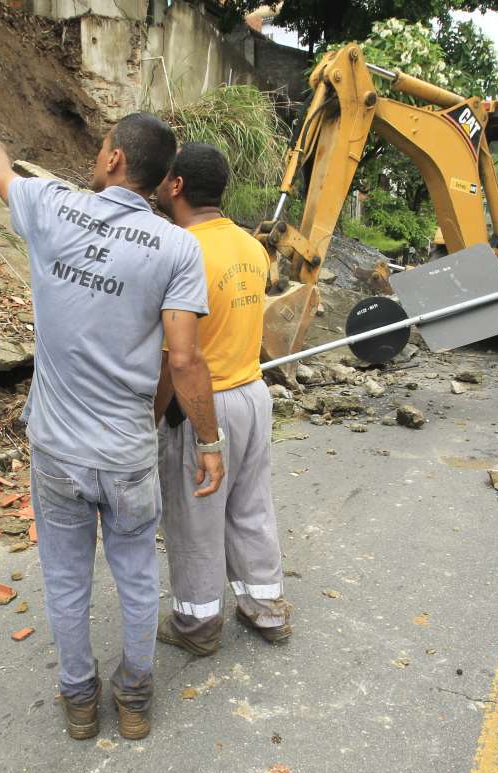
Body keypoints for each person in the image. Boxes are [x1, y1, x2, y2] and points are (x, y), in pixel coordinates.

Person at [0, 113, 226, 742]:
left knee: (64, 578)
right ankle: (134, 697)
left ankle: (80, 698)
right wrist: (209, 442)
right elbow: (185, 358)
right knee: (137, 573)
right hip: (127, 451)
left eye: (103, 145)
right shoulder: (178, 248)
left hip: (56, 448)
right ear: (162, 179)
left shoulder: (52, 207)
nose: (98, 153)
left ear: (114, 161)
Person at [152, 143, 292, 656]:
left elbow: (178, 358)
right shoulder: (251, 249)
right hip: (254, 394)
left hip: (203, 404)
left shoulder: (181, 251)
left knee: (194, 517)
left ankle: (196, 625)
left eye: (165, 178)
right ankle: (267, 608)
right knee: (251, 506)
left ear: (177, 186)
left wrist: (153, 418)